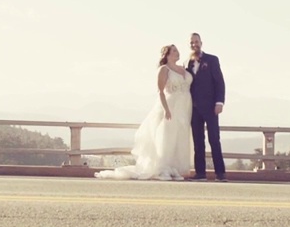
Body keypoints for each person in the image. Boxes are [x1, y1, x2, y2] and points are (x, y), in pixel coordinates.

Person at [95, 44, 193, 180]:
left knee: (180, 138)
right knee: (166, 137)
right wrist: (166, 109)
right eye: (174, 51)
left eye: (177, 50)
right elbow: (160, 91)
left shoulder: (183, 69)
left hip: (185, 108)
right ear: (167, 54)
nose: (178, 53)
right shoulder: (164, 70)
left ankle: (174, 168)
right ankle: (162, 168)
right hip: (171, 106)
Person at [186, 32, 226, 181]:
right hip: (194, 109)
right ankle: (200, 173)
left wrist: (219, 102)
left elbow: (219, 83)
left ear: (201, 43)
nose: (194, 44)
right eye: (191, 42)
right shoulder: (187, 63)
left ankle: (220, 173)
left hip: (211, 107)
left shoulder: (212, 60)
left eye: (196, 41)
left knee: (214, 139)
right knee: (198, 141)